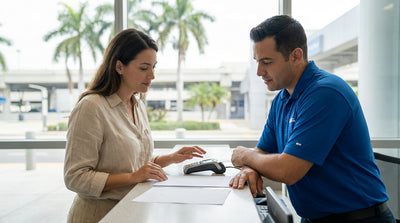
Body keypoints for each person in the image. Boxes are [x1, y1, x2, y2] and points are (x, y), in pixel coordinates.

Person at [229, 15, 396, 223]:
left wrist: (245, 156)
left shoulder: (326, 92)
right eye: (257, 62)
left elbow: (288, 170)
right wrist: (249, 168)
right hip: (313, 218)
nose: (259, 71)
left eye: (267, 62)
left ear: (296, 56)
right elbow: (263, 152)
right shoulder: (282, 99)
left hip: (359, 219)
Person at [64, 28, 206, 223]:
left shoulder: (136, 103)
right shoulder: (91, 107)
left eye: (154, 67)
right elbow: (75, 177)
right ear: (119, 67)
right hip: (99, 216)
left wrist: (171, 158)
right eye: (144, 68)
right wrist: (132, 177)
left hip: (132, 211)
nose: (152, 75)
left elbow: (139, 162)